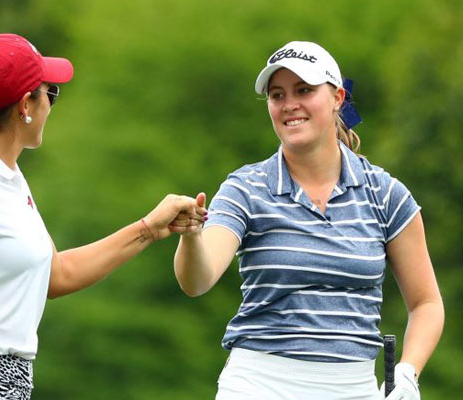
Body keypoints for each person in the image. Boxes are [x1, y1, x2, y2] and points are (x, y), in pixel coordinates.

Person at [0, 33, 206, 400]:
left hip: (8, 383)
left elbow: (57, 274)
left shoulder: (9, 179)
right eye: (50, 93)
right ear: (26, 104)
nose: (50, 104)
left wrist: (149, 230)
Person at [173, 41, 443, 400]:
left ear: (337, 98)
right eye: (277, 95)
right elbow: (198, 279)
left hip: (354, 388)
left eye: (304, 90)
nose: (289, 105)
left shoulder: (385, 193)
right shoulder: (246, 188)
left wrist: (408, 372)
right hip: (258, 384)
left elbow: (426, 303)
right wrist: (192, 236)